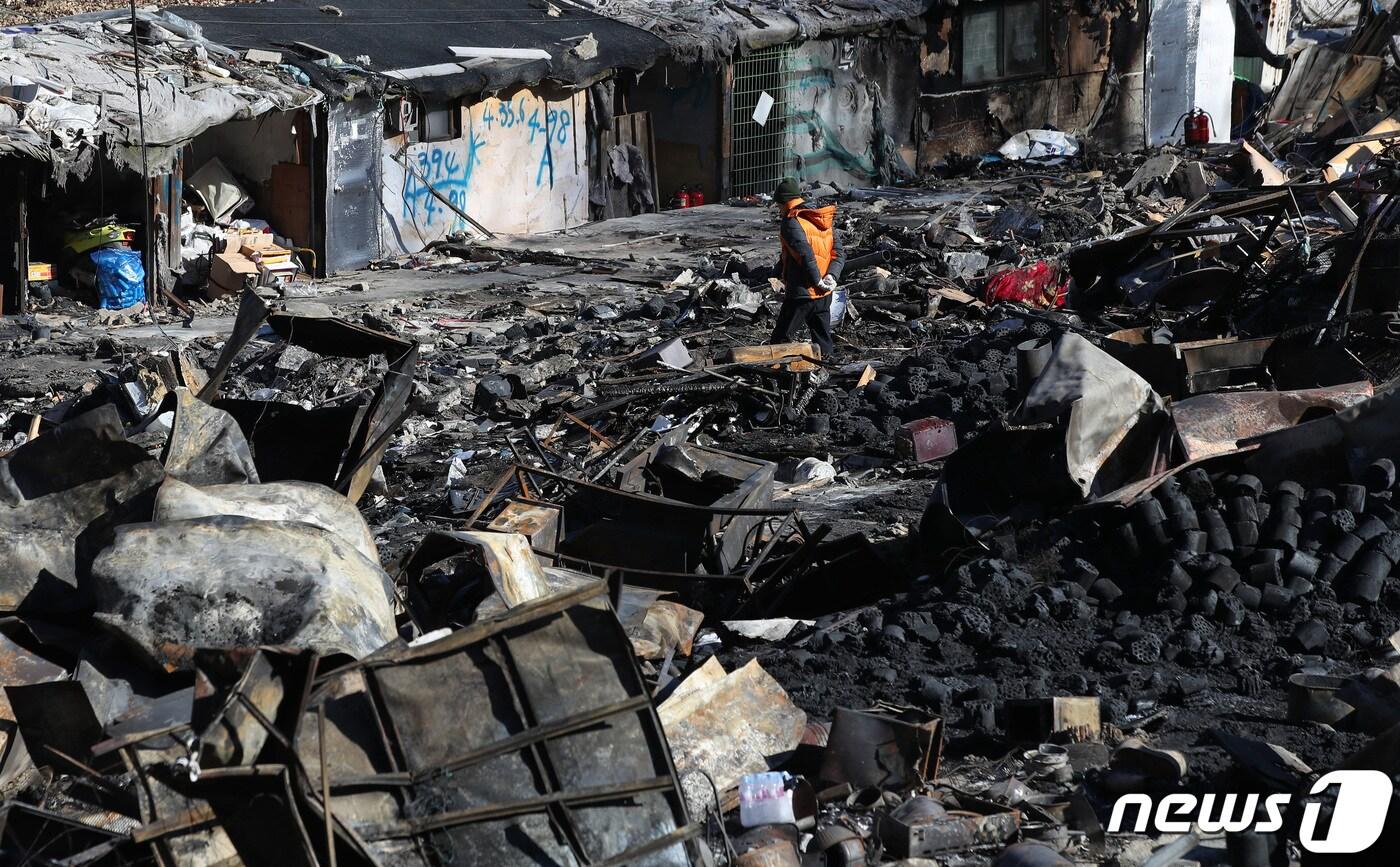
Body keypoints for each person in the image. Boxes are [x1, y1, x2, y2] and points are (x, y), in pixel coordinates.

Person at [769, 177, 844, 358]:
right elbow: (839, 252)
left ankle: (777, 376)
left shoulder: (791, 222)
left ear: (784, 202)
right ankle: (825, 371)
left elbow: (805, 255)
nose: (779, 210)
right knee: (823, 339)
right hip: (824, 295)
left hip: (803, 293)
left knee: (780, 340)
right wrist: (831, 277)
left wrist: (816, 280)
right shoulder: (821, 217)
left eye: (779, 205)